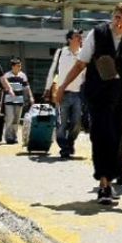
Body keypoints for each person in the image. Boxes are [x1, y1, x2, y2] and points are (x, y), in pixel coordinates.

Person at [55, 3, 122, 205]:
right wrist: (63, 86)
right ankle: (104, 186)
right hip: (100, 93)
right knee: (103, 136)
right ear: (112, 17)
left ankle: (108, 182)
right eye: (117, 18)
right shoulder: (97, 35)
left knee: (116, 139)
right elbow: (80, 64)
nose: (120, 23)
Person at [46, 29, 86, 158]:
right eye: (76, 36)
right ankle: (64, 147)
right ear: (69, 39)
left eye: (80, 36)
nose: (80, 38)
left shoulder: (83, 54)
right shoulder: (61, 52)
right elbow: (53, 70)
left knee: (77, 123)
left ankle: (70, 142)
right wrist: (48, 88)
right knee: (61, 123)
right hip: (62, 93)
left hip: (78, 94)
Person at [2, 58, 35, 144]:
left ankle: (14, 136)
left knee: (16, 119)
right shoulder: (7, 75)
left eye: (20, 66)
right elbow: (3, 87)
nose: (20, 67)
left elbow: (27, 87)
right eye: (18, 66)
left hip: (19, 101)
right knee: (10, 118)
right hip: (9, 101)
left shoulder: (22, 75)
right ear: (13, 66)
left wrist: (30, 97)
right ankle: (8, 137)